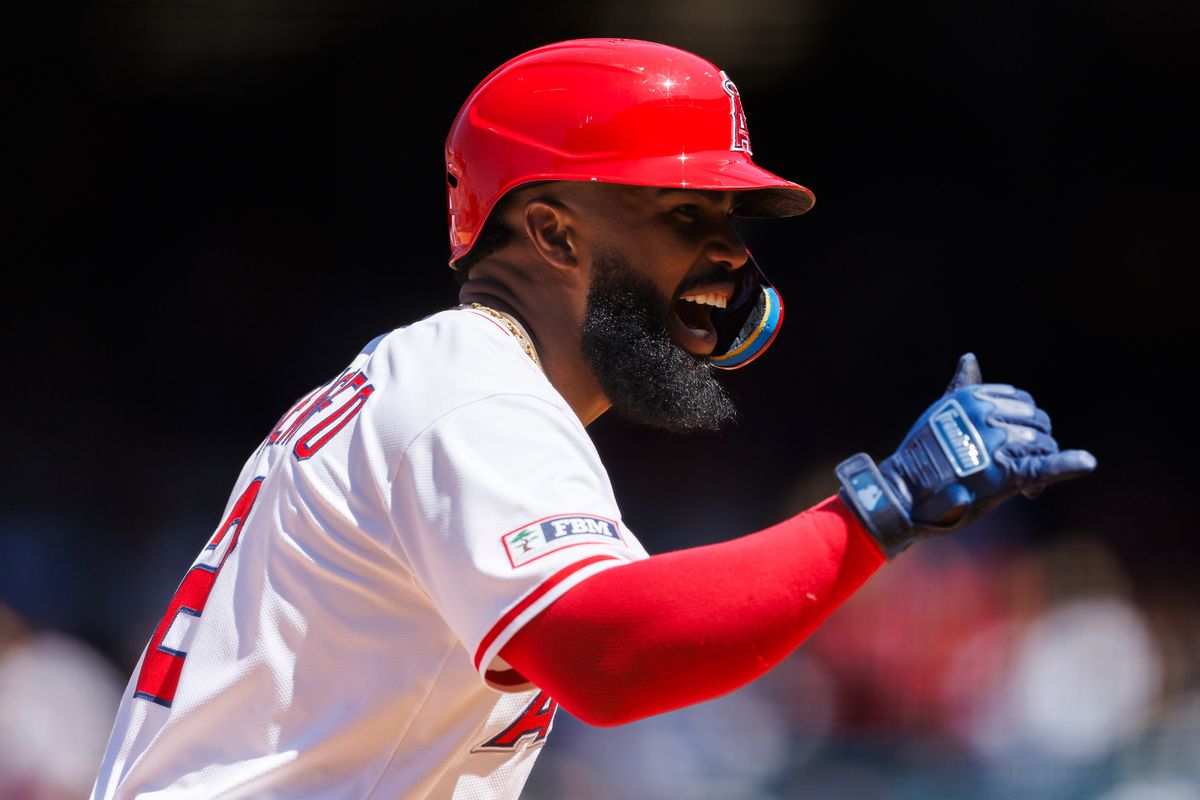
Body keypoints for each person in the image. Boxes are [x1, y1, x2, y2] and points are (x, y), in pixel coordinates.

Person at [90, 38, 1097, 799]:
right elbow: (613, 657)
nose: (735, 260)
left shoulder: (441, 383)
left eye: (731, 223)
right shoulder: (469, 384)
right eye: (685, 216)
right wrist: (885, 506)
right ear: (553, 230)